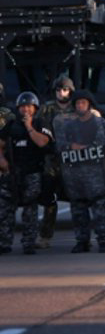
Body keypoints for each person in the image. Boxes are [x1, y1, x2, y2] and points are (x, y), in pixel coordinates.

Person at [55, 90, 105, 253]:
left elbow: (104, 143)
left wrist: (83, 147)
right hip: (75, 175)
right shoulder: (67, 125)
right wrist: (70, 147)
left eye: (83, 103)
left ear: (89, 105)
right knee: (78, 210)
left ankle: (104, 240)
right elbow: (59, 145)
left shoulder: (98, 122)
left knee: (100, 210)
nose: (80, 106)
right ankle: (82, 241)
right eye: (78, 103)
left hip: (95, 174)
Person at [0, 93, 52, 255]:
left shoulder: (40, 123)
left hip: (32, 173)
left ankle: (28, 242)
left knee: (30, 209)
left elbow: (43, 142)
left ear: (35, 108)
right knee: (5, 209)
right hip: (12, 173)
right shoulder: (11, 125)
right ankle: (4, 242)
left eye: (29, 106)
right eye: (23, 107)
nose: (25, 110)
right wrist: (2, 160)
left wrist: (29, 127)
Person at [35, 76, 75, 250]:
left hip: (73, 159)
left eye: (65, 89)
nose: (61, 93)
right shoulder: (46, 109)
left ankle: (83, 236)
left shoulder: (78, 107)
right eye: (59, 90)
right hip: (52, 160)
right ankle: (45, 235)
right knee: (49, 200)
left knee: (77, 198)